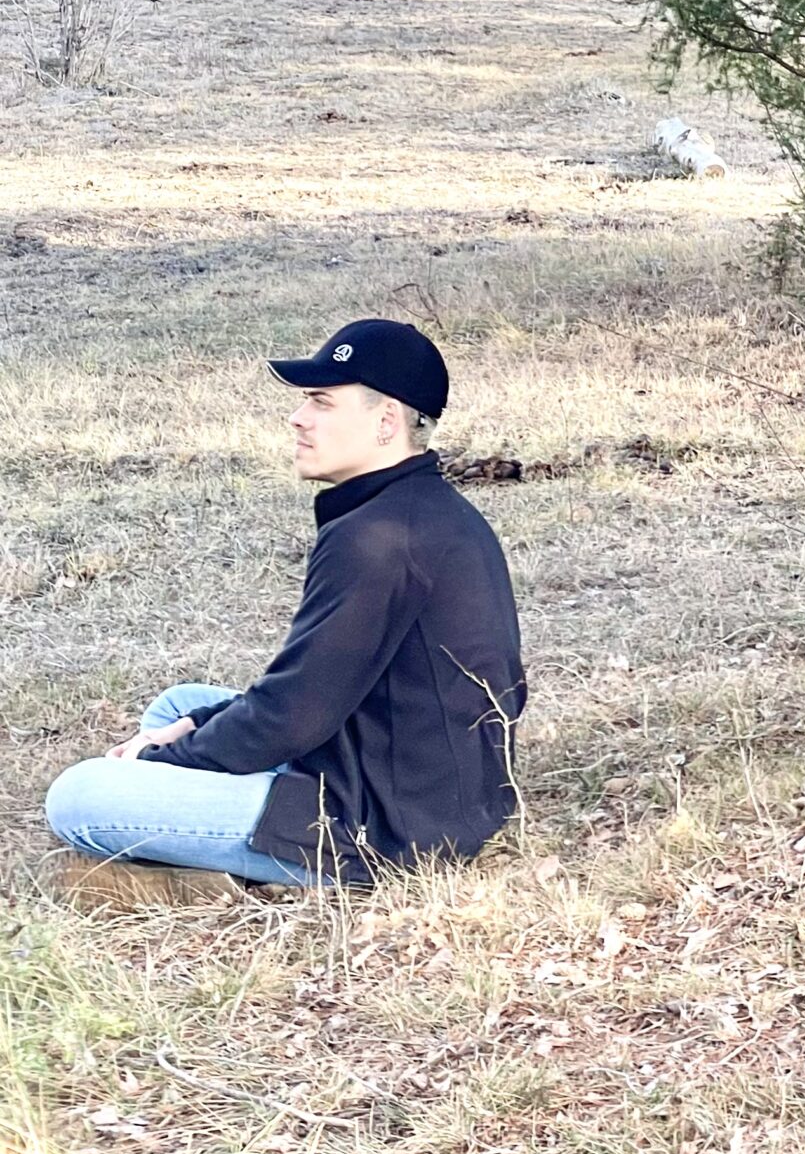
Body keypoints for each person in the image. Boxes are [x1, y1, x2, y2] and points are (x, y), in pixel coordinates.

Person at [45, 320, 527, 895]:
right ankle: (199, 846)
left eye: (322, 402)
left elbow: (295, 714)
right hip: (423, 781)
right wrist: (193, 731)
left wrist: (169, 760)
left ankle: (232, 870)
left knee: (78, 797)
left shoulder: (381, 538)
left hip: (386, 829)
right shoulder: (418, 508)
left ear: (385, 423)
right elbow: (312, 695)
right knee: (183, 703)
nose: (298, 418)